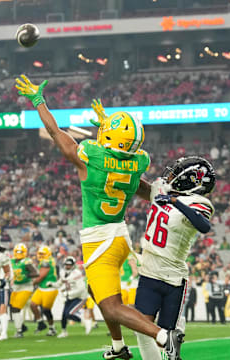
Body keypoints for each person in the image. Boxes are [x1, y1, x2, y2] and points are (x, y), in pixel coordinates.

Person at [16, 75, 184, 360]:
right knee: (97, 292)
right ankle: (118, 347)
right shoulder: (137, 161)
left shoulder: (90, 156)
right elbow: (139, 184)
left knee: (111, 306)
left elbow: (56, 132)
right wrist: (108, 125)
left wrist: (38, 101)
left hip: (99, 240)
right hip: (119, 235)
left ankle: (163, 336)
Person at [135, 156, 216, 360]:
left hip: (173, 277)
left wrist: (174, 201)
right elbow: (138, 187)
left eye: (176, 172)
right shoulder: (163, 190)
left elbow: (204, 226)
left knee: (168, 337)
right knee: (143, 331)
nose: (169, 176)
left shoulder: (199, 202)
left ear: (192, 180)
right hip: (149, 272)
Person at [47, 256, 87, 338]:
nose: (68, 266)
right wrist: (52, 284)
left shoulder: (77, 274)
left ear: (73, 265)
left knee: (69, 313)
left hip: (79, 297)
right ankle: (64, 331)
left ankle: (84, 319)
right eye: (66, 264)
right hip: (69, 297)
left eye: (69, 265)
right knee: (64, 315)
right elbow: (60, 283)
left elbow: (81, 289)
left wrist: (69, 294)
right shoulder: (63, 272)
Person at [10, 243, 38, 338]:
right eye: (17, 251)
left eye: (20, 252)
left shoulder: (26, 261)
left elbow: (35, 273)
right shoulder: (12, 261)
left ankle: (19, 331)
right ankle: (21, 326)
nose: (18, 253)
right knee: (12, 307)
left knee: (16, 308)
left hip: (26, 287)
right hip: (16, 287)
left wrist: (26, 275)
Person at [30, 245, 58, 336]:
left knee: (46, 310)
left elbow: (41, 276)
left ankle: (52, 327)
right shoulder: (48, 260)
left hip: (49, 288)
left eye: (43, 254)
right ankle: (40, 323)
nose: (41, 255)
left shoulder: (46, 262)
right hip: (42, 287)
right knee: (33, 304)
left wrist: (31, 284)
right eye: (40, 254)